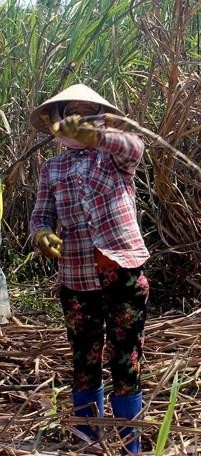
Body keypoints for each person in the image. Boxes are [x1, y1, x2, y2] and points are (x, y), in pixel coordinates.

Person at [29, 84, 150, 455]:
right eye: (69, 114)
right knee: (84, 355)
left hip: (123, 271)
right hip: (76, 276)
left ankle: (131, 441)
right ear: (55, 122)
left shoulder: (113, 156)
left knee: (126, 357)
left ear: (104, 120)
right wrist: (42, 234)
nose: (77, 122)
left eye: (89, 114)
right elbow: (41, 215)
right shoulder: (52, 168)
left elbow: (135, 147)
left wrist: (95, 135)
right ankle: (87, 439)